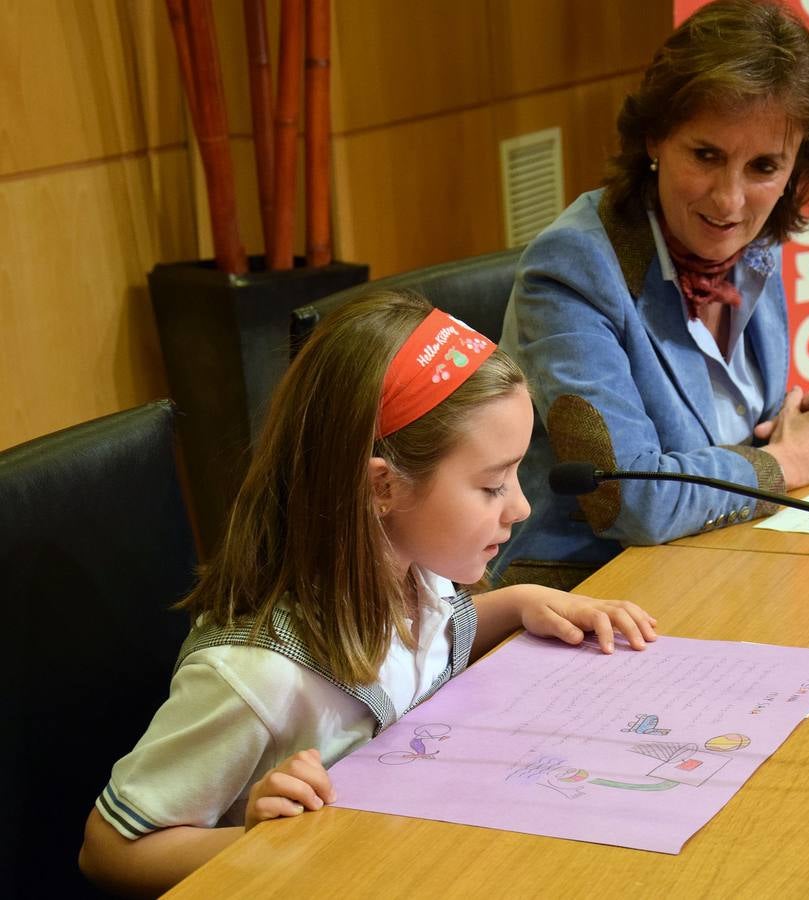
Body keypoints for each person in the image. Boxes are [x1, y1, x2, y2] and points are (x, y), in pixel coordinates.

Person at [77, 290, 656, 897]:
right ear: (383, 487)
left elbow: (414, 651)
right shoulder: (256, 678)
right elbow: (108, 849)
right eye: (492, 485)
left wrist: (516, 604)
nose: (522, 505)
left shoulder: (416, 575)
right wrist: (251, 841)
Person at [494, 0, 809, 588]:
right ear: (655, 138)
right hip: (591, 591)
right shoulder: (573, 270)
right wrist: (785, 463)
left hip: (723, 562)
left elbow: (734, 425)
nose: (730, 201)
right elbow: (628, 500)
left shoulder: (755, 244)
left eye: (764, 166)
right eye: (706, 156)